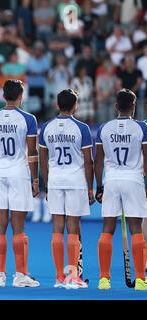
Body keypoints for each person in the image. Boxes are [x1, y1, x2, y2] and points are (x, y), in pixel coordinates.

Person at [0, 79, 40, 288]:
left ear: (3, 95)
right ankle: (20, 274)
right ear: (21, 96)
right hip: (19, 173)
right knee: (18, 227)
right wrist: (35, 179)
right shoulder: (28, 119)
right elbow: (32, 153)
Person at [39, 89, 95, 289]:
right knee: (73, 227)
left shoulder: (46, 127)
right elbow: (88, 162)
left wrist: (47, 185)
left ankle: (58, 277)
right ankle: (73, 276)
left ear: (57, 105)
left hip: (55, 180)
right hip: (75, 180)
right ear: (75, 105)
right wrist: (90, 189)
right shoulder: (82, 128)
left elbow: (42, 161)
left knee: (57, 228)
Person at [94, 89, 147, 291]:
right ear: (134, 106)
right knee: (136, 229)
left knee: (107, 228)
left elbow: (98, 161)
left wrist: (99, 186)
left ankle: (104, 279)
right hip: (133, 180)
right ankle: (141, 279)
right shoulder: (141, 128)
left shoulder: (104, 128)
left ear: (116, 107)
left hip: (112, 180)